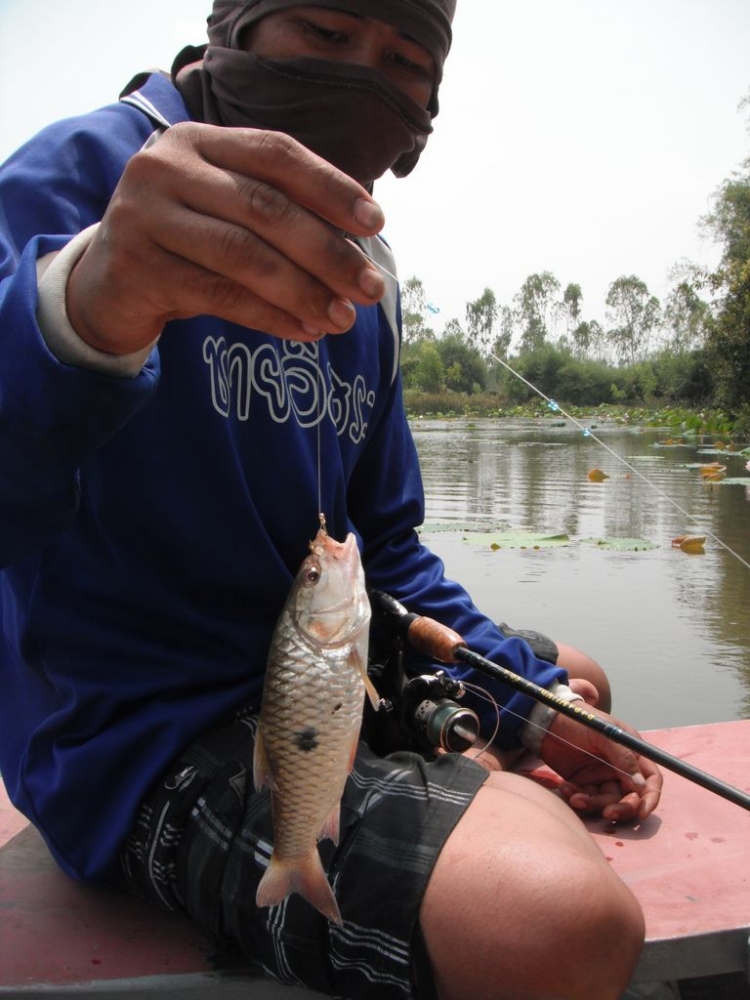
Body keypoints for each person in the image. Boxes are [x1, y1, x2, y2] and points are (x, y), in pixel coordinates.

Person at [0, 3, 662, 998]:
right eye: (321, 30)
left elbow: (385, 548)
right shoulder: (82, 177)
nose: (362, 79)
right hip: (143, 735)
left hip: (321, 665)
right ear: (236, 29)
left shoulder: (369, 280)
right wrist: (86, 307)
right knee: (556, 922)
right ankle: (451, 803)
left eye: (405, 61)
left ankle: (460, 772)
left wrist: (533, 702)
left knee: (582, 686)